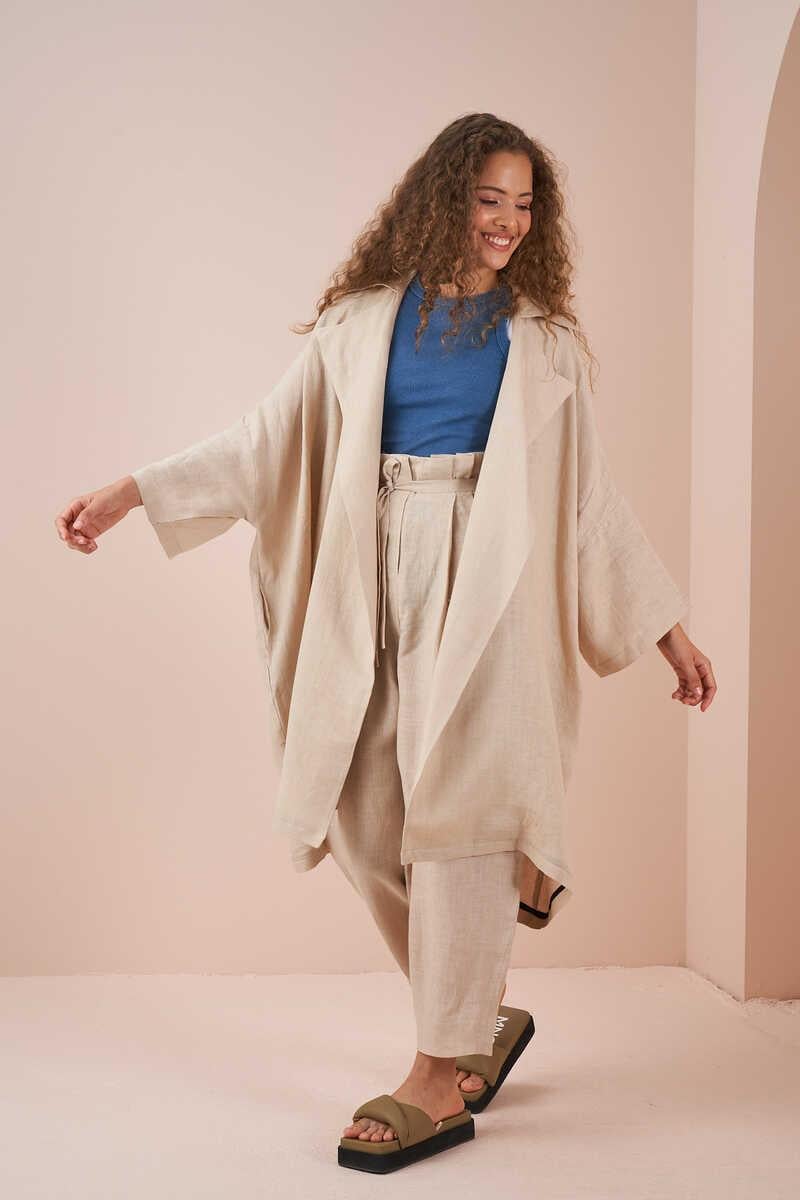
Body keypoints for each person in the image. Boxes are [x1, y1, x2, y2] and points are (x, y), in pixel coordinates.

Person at [55, 113, 717, 1173]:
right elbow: (266, 444)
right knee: (364, 813)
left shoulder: (542, 342)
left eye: (523, 204)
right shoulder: (360, 323)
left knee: (457, 814)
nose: (507, 221)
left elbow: (589, 503)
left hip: (492, 576)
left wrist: (666, 632)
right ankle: (476, 1009)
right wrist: (133, 492)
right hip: (372, 564)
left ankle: (437, 1070)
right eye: (488, 198)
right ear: (443, 200)